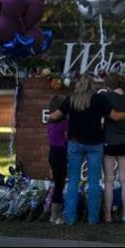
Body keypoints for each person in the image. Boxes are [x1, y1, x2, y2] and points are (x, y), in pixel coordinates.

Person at [49, 74, 125, 225]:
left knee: (73, 180)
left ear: (79, 85)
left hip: (75, 144)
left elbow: (54, 116)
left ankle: (70, 218)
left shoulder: (71, 99)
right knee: (93, 182)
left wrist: (56, 118)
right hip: (95, 144)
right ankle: (93, 219)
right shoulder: (99, 99)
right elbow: (115, 117)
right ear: (92, 85)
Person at [101, 73, 125, 223]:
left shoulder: (106, 97)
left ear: (109, 84)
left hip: (109, 141)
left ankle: (108, 215)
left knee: (108, 180)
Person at [46, 94, 69, 224]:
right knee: (60, 185)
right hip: (61, 153)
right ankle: (56, 217)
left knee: (57, 184)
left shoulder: (50, 123)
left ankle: (53, 215)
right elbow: (67, 138)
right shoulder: (65, 123)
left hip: (52, 153)